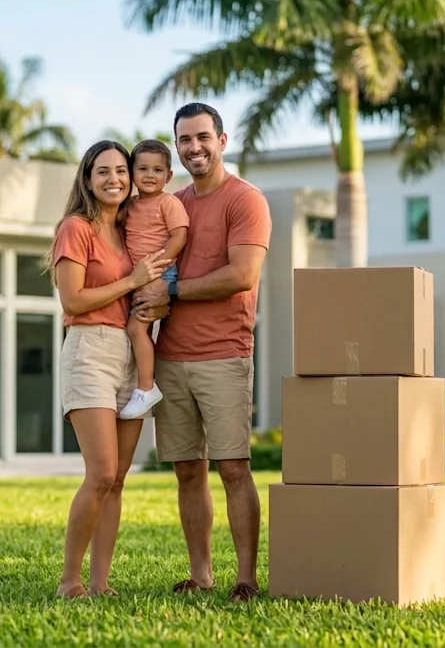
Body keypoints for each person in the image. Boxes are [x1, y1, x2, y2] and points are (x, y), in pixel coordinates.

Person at [132, 103, 272, 603]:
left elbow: (242, 276)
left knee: (233, 467)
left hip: (224, 354)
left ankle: (247, 579)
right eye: (184, 140)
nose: (193, 148)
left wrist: (173, 294)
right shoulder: (171, 203)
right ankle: (202, 574)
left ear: (222, 140)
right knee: (187, 469)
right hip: (169, 355)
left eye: (202, 137)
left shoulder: (245, 201)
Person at [46, 139, 173, 600]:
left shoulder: (128, 230)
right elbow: (73, 300)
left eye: (122, 170)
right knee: (100, 473)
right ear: (87, 177)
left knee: (118, 478)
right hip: (89, 350)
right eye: (103, 171)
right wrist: (132, 280)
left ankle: (100, 583)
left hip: (130, 351)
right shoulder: (74, 228)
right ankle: (70, 581)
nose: (114, 179)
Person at [117, 139, 190, 421]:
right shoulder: (130, 205)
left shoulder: (168, 202)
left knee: (137, 329)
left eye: (158, 170)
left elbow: (180, 236)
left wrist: (158, 269)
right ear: (132, 173)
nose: (150, 175)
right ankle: (141, 384)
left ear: (168, 176)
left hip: (159, 273)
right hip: (138, 275)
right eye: (143, 169)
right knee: (138, 330)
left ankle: (147, 387)